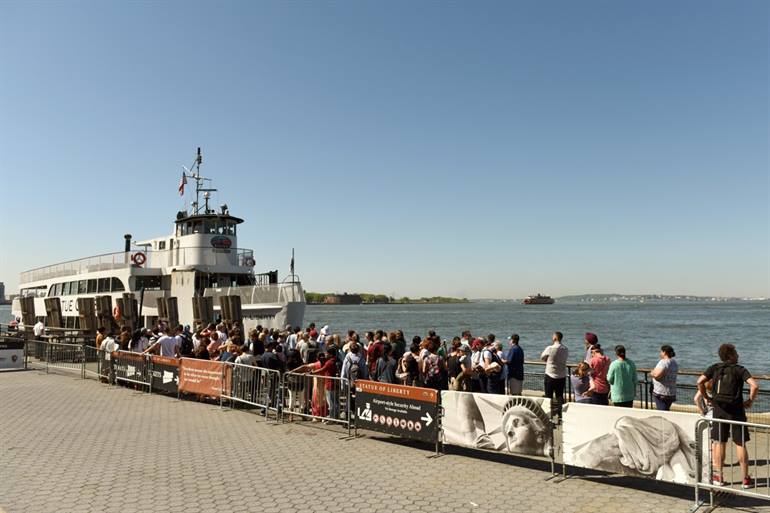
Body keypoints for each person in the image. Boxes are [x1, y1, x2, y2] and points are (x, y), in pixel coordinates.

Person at [697, 344, 759, 489]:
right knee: (740, 443)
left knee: (719, 442)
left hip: (719, 409)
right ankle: (745, 479)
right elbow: (754, 386)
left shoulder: (714, 368)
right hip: (736, 410)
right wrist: (750, 401)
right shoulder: (740, 370)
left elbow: (700, 382)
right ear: (730, 355)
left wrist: (707, 397)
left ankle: (719, 476)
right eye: (736, 353)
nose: (738, 355)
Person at [540, 332, 569, 419]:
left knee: (548, 397)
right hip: (561, 375)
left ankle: (549, 415)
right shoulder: (565, 349)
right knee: (560, 396)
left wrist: (548, 360)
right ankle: (561, 414)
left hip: (550, 375)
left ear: (555, 338)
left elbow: (542, 357)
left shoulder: (550, 348)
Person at [650, 345, 678, 411]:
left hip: (661, 393)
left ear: (664, 352)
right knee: (666, 409)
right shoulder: (674, 362)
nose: (660, 353)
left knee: (662, 412)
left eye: (661, 351)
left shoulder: (663, 362)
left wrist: (652, 373)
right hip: (671, 392)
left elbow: (657, 375)